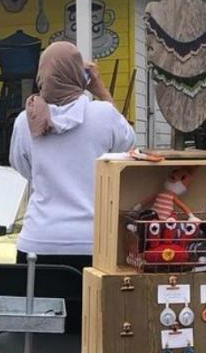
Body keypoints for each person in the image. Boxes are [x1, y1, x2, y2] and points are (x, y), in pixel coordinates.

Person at [8, 41, 135, 271]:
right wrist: (101, 90)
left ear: (41, 75)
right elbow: (126, 147)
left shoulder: (25, 120)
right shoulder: (104, 115)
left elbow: (23, 168)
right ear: (80, 76)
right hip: (92, 242)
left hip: (37, 242)